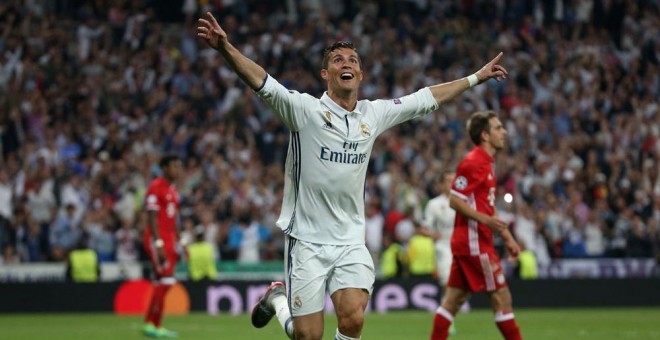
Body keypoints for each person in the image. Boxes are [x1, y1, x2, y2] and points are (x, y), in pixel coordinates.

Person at [197, 11, 508, 340]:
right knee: (308, 336)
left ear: (360, 73)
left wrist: (476, 77)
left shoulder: (372, 114)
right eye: (337, 60)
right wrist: (226, 49)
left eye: (352, 60)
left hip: (349, 239)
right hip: (307, 240)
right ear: (325, 73)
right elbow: (263, 82)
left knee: (353, 319)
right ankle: (278, 300)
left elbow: (425, 98)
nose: (346, 63)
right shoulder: (305, 111)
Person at [430, 111, 522, 340]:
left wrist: (508, 238)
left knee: (452, 302)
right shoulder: (473, 162)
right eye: (498, 128)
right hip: (474, 244)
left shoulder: (486, 164)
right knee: (502, 299)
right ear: (485, 135)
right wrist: (485, 220)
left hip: (472, 242)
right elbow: (455, 200)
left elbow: (488, 208)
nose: (504, 132)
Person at [141, 154, 183, 338]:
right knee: (166, 281)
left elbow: (173, 220)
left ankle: (152, 324)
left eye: (179, 166)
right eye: (174, 166)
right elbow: (151, 216)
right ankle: (152, 324)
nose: (178, 170)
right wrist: (158, 244)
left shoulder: (173, 190)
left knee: (162, 282)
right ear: (165, 168)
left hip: (169, 240)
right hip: (158, 240)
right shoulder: (155, 187)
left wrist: (181, 242)